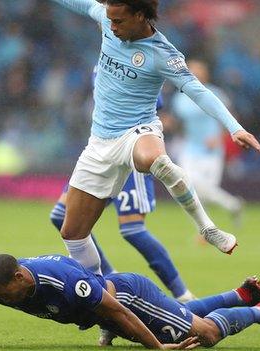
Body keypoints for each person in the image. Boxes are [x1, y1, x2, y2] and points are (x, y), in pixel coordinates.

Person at [46, 0, 260, 277]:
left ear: (140, 16)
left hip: (138, 131)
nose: (112, 27)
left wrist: (234, 128)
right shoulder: (108, 19)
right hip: (99, 143)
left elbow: (198, 91)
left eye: (119, 22)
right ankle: (100, 298)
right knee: (72, 233)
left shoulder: (163, 53)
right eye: (110, 20)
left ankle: (207, 227)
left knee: (153, 159)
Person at [0, 254, 260, 349]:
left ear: (19, 278)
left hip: (130, 297)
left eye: (3, 295)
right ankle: (242, 293)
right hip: (110, 304)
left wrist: (157, 349)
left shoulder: (63, 284)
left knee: (202, 335)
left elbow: (116, 309)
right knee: (177, 319)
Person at [51, 78, 195, 302]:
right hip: (101, 151)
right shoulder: (102, 60)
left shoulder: (132, 57)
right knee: (61, 215)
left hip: (129, 150)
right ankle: (109, 280)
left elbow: (153, 101)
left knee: (133, 230)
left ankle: (183, 295)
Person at [169, 60, 243, 228]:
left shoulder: (215, 93)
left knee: (205, 194)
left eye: (198, 70)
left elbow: (231, 119)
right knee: (187, 185)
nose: (194, 73)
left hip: (212, 151)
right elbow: (178, 123)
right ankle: (230, 206)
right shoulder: (180, 97)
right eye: (191, 70)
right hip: (190, 149)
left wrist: (218, 138)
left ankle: (211, 225)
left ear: (205, 74)